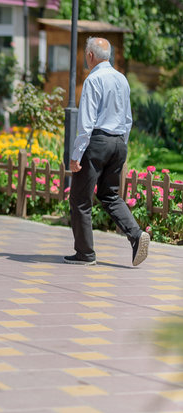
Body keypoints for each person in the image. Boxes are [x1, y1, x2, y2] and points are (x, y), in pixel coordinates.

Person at [65, 37, 149, 267]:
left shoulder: (93, 79)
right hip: (118, 143)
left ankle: (85, 254)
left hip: (97, 142)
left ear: (90, 55)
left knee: (80, 199)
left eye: (85, 52)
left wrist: (75, 155)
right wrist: (122, 144)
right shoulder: (121, 78)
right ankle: (136, 234)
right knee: (109, 195)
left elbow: (86, 122)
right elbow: (128, 118)